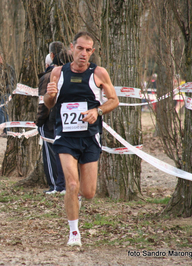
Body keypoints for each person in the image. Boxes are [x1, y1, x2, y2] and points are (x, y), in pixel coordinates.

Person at [44, 32, 119, 246]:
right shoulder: (58, 72)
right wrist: (50, 94)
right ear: (71, 48)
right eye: (80, 49)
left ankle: (75, 197)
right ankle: (74, 233)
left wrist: (98, 111)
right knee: (72, 183)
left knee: (88, 192)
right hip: (65, 137)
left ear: (92, 52)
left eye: (88, 50)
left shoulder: (99, 73)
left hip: (89, 138)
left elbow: (114, 100)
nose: (83, 54)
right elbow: (50, 104)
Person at [36, 42, 66, 195]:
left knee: (50, 154)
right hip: (63, 120)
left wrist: (39, 122)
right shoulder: (69, 72)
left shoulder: (49, 76)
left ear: (52, 56)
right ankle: (62, 185)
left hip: (50, 121)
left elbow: (43, 103)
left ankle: (55, 186)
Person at [0, 52, 16, 137]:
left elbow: (12, 82)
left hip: (6, 92)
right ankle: (7, 131)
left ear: (3, 59)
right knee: (4, 112)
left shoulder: (9, 68)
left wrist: (4, 87)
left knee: (1, 111)